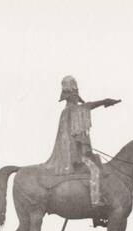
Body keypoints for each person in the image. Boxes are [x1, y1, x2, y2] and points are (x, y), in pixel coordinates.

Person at [44, 75, 120, 207]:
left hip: (71, 152)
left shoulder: (67, 111)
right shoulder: (73, 110)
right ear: (71, 96)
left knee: (96, 162)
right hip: (73, 156)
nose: (76, 98)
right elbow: (87, 107)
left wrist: (104, 102)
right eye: (75, 95)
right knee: (95, 170)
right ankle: (96, 201)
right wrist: (103, 101)